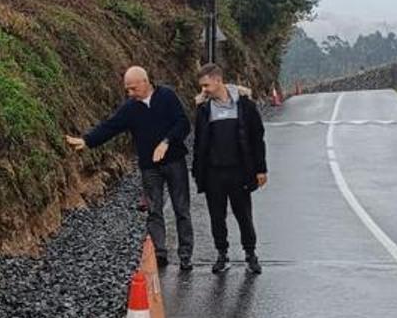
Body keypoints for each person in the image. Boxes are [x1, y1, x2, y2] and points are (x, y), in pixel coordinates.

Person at [66, 66, 194, 270]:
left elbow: (183, 123)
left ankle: (186, 254)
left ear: (145, 82)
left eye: (133, 88)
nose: (130, 93)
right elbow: (110, 127)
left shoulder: (167, 96)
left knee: (181, 208)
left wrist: (166, 141)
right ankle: (160, 253)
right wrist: (87, 141)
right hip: (149, 166)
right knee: (154, 210)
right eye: (128, 89)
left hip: (174, 161)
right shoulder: (130, 108)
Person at [192, 63, 268, 275]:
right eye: (202, 86)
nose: (203, 89)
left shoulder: (245, 105)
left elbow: (257, 138)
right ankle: (222, 255)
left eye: (206, 84)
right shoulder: (204, 109)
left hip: (240, 171)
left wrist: (260, 169)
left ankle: (251, 255)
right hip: (213, 173)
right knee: (217, 216)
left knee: (244, 215)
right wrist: (197, 172)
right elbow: (198, 143)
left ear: (218, 80)